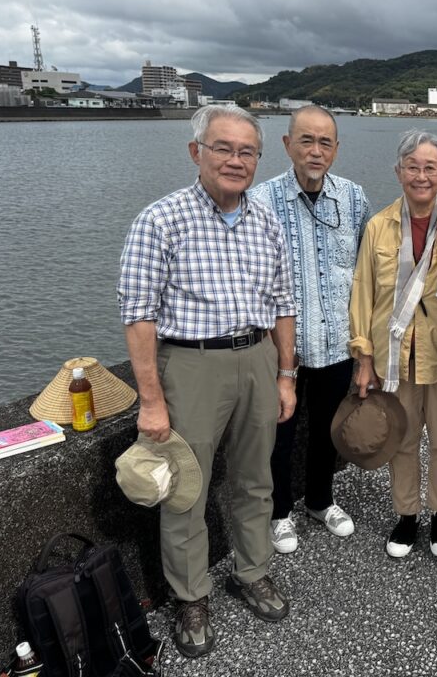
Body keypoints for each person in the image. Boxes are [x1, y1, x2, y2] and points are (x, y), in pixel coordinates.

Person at [117, 105, 297, 658]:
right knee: (185, 493)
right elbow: (138, 314)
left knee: (255, 480)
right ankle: (190, 596)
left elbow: (283, 302)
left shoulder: (265, 219)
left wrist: (286, 374)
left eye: (247, 151)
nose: (236, 161)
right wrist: (151, 400)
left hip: (257, 357)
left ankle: (253, 572)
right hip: (190, 366)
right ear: (197, 152)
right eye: (223, 148)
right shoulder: (161, 219)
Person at [250, 105, 369, 553]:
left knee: (327, 430)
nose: (315, 151)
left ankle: (321, 500)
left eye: (325, 142)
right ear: (287, 145)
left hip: (337, 343)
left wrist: (364, 351)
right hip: (284, 349)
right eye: (306, 140)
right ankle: (280, 512)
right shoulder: (260, 202)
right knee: (278, 433)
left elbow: (365, 274)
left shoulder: (354, 198)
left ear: (336, 149)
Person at [348, 129, 437, 559]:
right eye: (413, 167)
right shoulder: (379, 226)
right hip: (391, 358)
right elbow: (363, 293)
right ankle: (406, 514)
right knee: (400, 439)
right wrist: (363, 356)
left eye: (430, 168)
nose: (421, 176)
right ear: (399, 172)